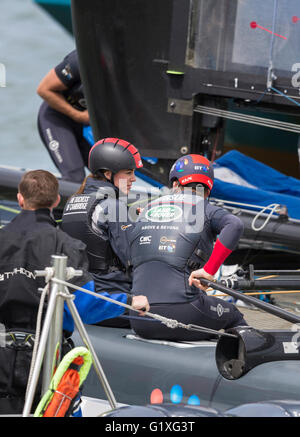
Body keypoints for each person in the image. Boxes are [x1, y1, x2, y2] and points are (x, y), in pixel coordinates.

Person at [0, 169, 149, 414]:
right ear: (57, 200)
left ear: (19, 199)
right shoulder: (65, 245)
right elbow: (83, 308)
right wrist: (130, 302)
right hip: (46, 363)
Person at [128, 154, 247, 341]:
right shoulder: (206, 208)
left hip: (137, 316)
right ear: (208, 190)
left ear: (175, 184)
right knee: (233, 314)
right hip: (183, 313)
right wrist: (209, 270)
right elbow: (235, 225)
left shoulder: (146, 209)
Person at [61, 137, 144, 328]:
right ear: (108, 174)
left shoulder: (73, 202)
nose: (134, 179)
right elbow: (135, 261)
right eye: (129, 173)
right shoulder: (114, 207)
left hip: (84, 298)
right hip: (115, 302)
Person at [37, 49, 91, 183]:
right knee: (75, 178)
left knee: (112, 176)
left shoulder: (131, 66)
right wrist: (78, 116)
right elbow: (43, 89)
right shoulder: (80, 59)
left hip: (89, 125)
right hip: (58, 118)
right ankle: (32, 198)